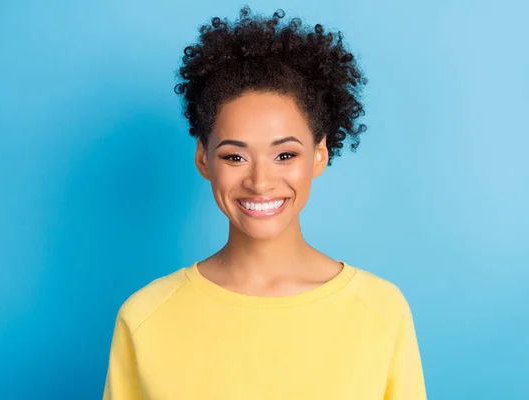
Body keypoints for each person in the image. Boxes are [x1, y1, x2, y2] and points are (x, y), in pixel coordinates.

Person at [102, 6, 427, 400]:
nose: (259, 182)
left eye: (285, 155)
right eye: (234, 157)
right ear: (203, 159)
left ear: (319, 155)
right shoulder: (145, 316)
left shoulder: (381, 309)